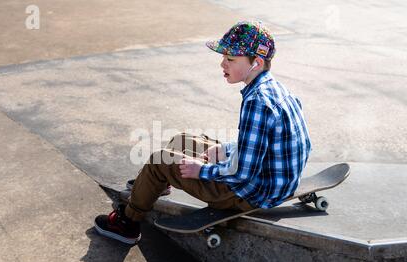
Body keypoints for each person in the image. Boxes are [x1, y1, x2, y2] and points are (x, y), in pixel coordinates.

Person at [94, 21, 312, 244]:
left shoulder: (257, 102)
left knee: (159, 160)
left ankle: (128, 223)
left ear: (256, 62)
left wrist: (203, 171)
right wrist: (225, 149)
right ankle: (156, 184)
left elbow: (243, 174)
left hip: (250, 194)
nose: (222, 64)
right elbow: (270, 143)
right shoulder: (274, 88)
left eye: (230, 59)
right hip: (275, 181)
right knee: (181, 141)